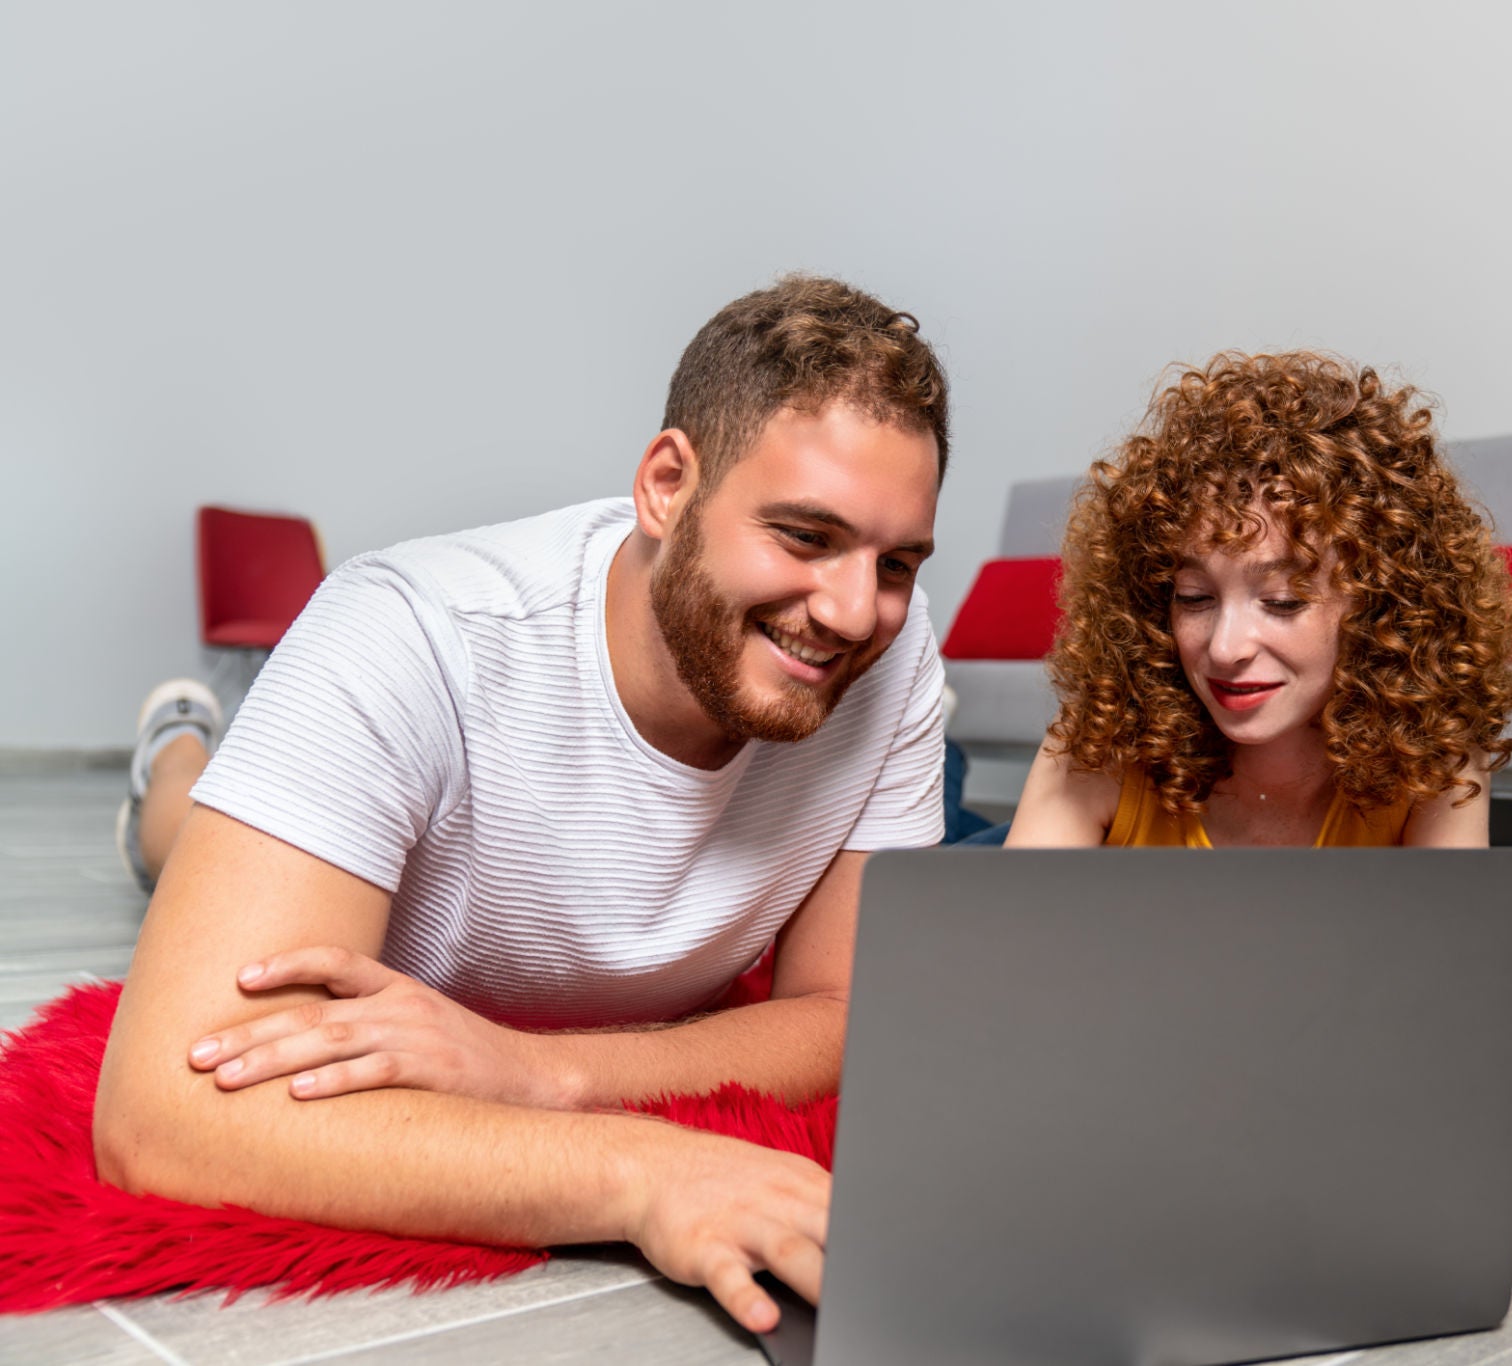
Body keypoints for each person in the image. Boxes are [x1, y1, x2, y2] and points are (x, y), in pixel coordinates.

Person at [94, 275, 950, 1334]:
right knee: (178, 836)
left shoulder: (893, 658)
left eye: (897, 561)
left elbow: (843, 1017)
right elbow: (158, 1119)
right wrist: (640, 1172)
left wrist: (541, 1070)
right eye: (805, 536)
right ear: (667, 485)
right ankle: (178, 752)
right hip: (370, 885)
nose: (854, 610)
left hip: (512, 1021)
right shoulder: (410, 629)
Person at [1005, 350, 1512, 850]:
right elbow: (1010, 932)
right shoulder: (1101, 744)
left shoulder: (1433, 756)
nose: (1224, 648)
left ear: (1381, 608)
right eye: (1194, 598)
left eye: (1283, 601)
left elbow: (1448, 941)